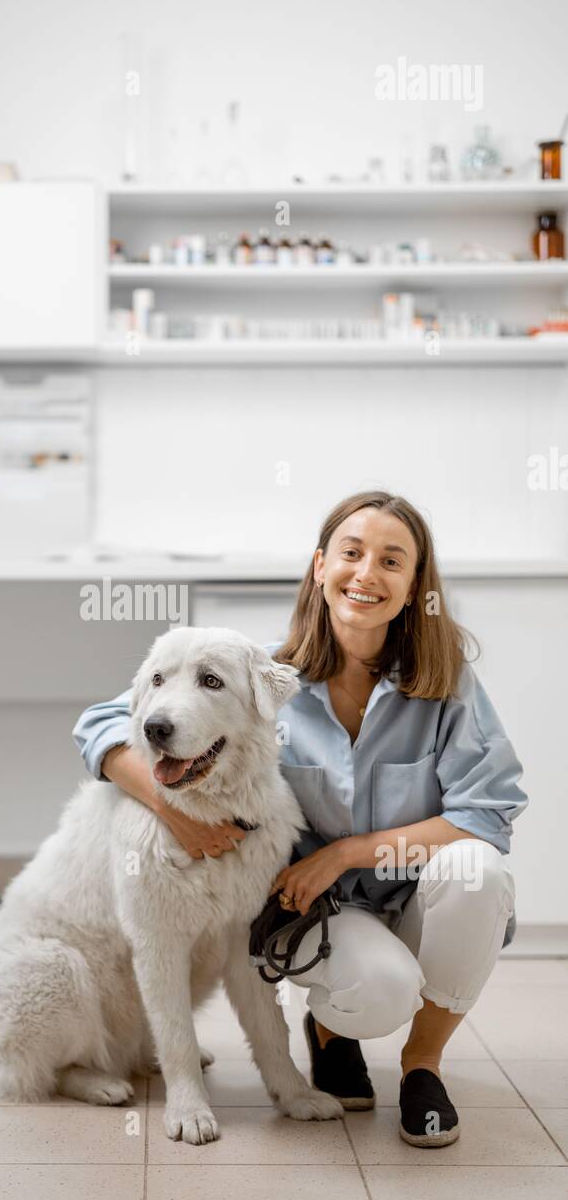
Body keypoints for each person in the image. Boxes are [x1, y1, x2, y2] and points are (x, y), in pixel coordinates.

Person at [71, 490, 528, 1148]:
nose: (366, 573)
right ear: (320, 567)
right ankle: (331, 1031)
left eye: (390, 561)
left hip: (411, 893)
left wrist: (345, 852)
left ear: (413, 587)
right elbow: (104, 723)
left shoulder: (443, 683)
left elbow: (484, 812)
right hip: (318, 913)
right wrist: (171, 810)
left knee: (479, 873)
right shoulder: (257, 668)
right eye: (350, 553)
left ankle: (421, 1066)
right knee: (380, 991)